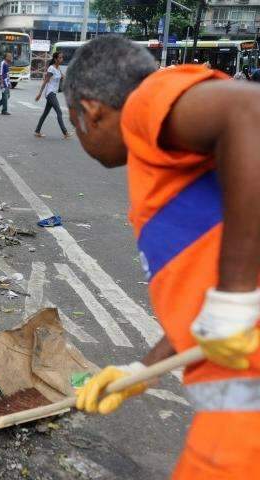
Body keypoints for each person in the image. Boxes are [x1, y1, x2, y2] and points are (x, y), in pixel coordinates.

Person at [65, 35, 260, 478]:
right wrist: (141, 370)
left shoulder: (144, 104)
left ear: (89, 111)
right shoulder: (168, 161)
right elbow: (204, 300)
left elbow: (250, 111)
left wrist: (235, 296)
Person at [34, 51, 72, 139]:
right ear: (55, 59)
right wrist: (40, 93)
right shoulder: (51, 68)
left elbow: (64, 78)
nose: (61, 59)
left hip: (53, 93)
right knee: (59, 111)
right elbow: (45, 81)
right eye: (60, 58)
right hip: (50, 93)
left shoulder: (58, 69)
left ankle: (37, 130)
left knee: (45, 113)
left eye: (62, 58)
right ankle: (65, 132)